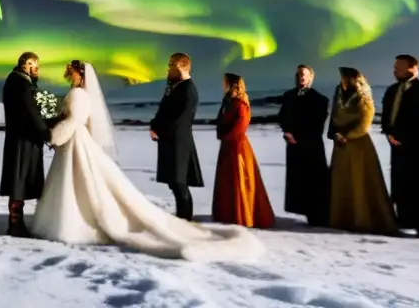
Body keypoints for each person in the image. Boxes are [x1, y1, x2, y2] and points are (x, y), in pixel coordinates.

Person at [31, 60, 265, 262]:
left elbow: (75, 120)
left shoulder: (78, 94)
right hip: (76, 142)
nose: (68, 74)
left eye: (71, 71)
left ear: (79, 74)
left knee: (80, 182)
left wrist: (54, 135)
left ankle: (73, 222)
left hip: (75, 141)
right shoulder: (81, 93)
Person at [327, 66, 398, 235]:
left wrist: (348, 136)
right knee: (342, 181)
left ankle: (364, 219)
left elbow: (365, 120)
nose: (342, 81)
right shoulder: (339, 94)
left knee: (360, 181)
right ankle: (343, 218)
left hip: (358, 145)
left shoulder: (363, 95)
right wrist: (335, 134)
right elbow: (334, 116)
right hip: (341, 146)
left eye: (345, 78)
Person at [381, 54, 419, 239]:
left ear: (413, 68)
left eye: (399, 67)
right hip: (397, 148)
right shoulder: (391, 91)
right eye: (395, 67)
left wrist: (404, 135)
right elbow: (386, 116)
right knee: (401, 184)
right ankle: (405, 220)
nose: (395, 71)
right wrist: (389, 133)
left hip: (418, 147)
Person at [211, 73, 275, 229]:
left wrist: (227, 136)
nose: (222, 85)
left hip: (237, 147)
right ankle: (228, 213)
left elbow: (241, 124)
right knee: (228, 180)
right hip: (228, 145)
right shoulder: (228, 101)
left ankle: (243, 214)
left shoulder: (240, 103)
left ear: (232, 84)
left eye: (224, 82)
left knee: (240, 179)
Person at [0, 51, 51, 237]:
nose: (34, 67)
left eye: (37, 64)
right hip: (23, 139)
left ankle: (16, 221)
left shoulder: (19, 81)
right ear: (22, 65)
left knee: (19, 178)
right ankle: (15, 224)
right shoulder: (20, 83)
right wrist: (46, 132)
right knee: (19, 179)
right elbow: (31, 111)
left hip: (21, 137)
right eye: (30, 63)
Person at [149, 52, 203, 221]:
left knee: (180, 182)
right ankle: (182, 216)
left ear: (181, 66)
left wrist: (161, 129)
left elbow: (180, 119)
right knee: (174, 182)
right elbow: (164, 110)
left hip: (179, 142)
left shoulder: (188, 89)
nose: (169, 68)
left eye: (172, 65)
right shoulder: (175, 86)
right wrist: (154, 125)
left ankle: (185, 218)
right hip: (170, 140)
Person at [277, 64, 330, 226]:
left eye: (304, 75)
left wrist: (298, 136)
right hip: (293, 146)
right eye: (298, 74)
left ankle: (319, 216)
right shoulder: (288, 96)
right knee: (298, 181)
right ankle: (304, 212)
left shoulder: (320, 99)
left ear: (311, 77)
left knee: (315, 181)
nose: (301, 77)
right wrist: (287, 132)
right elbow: (283, 116)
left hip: (311, 146)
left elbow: (317, 125)